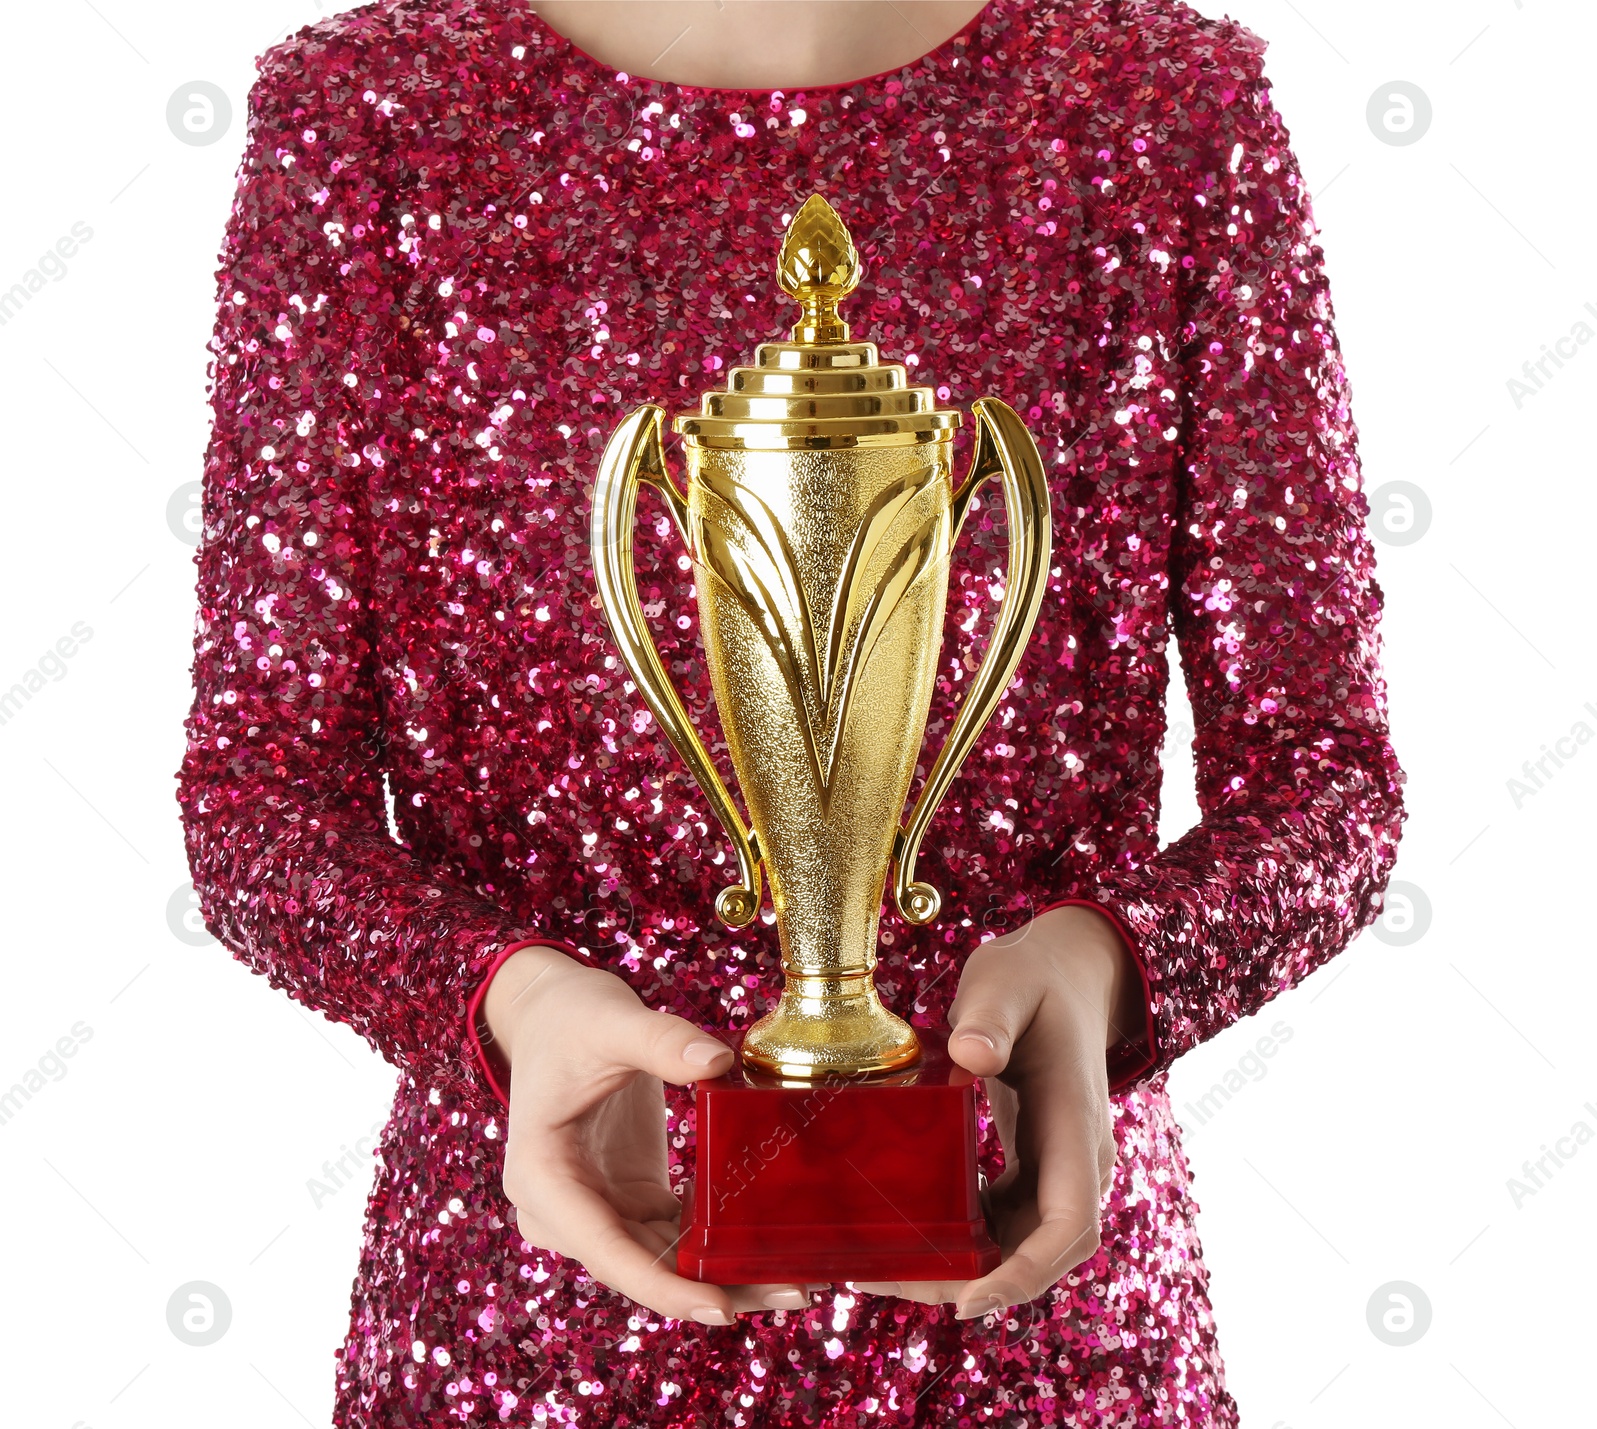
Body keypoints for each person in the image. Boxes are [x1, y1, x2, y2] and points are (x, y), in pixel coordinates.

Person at [176, 0, 1406, 1421]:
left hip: (1037, 1326)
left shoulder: (1161, 108)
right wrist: (501, 1001)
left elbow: (1327, 783)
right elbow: (257, 795)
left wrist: (1104, 970)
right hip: (526, 1334)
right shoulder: (371, 119)